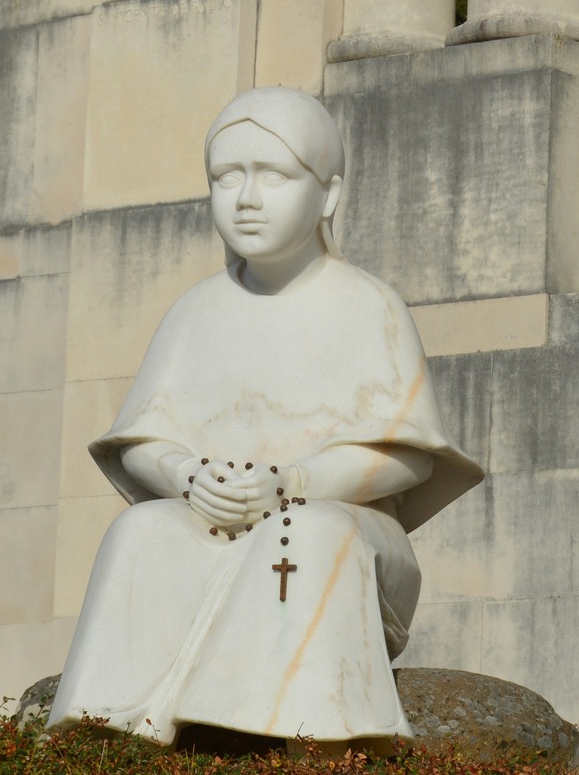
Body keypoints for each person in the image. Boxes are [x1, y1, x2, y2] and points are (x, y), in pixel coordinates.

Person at [49, 87, 482, 750]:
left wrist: (291, 485)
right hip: (214, 521)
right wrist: (186, 476)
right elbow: (141, 440)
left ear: (328, 195)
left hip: (346, 533)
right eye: (227, 178)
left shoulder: (369, 306)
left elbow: (406, 455)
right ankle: (114, 720)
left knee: (302, 533)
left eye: (273, 176)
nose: (246, 199)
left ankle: (294, 726)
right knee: (143, 529)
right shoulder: (195, 311)